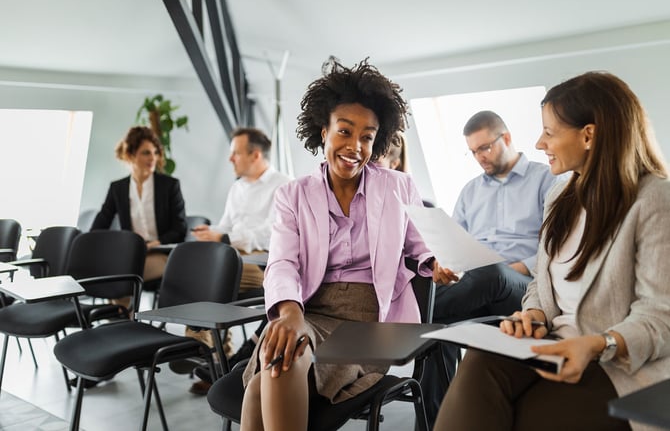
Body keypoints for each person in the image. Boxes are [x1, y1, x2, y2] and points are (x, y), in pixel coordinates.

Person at [434, 71, 670, 431]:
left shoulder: (654, 199)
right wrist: (534, 315)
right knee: (479, 361)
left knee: (527, 415)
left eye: (549, 132)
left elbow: (661, 317)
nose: (540, 143)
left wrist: (598, 344)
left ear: (588, 135)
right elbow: (541, 287)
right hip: (554, 343)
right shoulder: (561, 197)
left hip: (618, 363)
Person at [238, 58, 450, 431]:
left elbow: (423, 247)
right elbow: (282, 262)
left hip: (372, 319)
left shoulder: (398, 187)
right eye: (345, 131)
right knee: (283, 352)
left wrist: (437, 263)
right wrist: (289, 312)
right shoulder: (293, 194)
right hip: (310, 309)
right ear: (324, 131)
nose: (355, 146)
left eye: (367, 136)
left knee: (263, 385)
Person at [422, 110, 557, 424]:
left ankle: (415, 313)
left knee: (493, 272)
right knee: (438, 332)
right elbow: (454, 243)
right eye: (473, 152)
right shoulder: (471, 191)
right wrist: (446, 263)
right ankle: (432, 423)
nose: (479, 157)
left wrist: (517, 269)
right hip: (479, 285)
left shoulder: (547, 178)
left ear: (506, 138)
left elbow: (558, 247)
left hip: (524, 286)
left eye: (484, 148)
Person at [186, 127, 290, 395]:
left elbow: (272, 233)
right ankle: (215, 360)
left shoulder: (284, 186)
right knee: (204, 267)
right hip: (233, 257)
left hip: (264, 263)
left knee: (216, 273)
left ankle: (201, 348)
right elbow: (225, 225)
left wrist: (226, 237)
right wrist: (212, 234)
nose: (230, 159)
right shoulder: (237, 188)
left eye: (235, 153)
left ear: (255, 154)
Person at [91, 125, 187, 296]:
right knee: (109, 270)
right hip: (130, 255)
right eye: (146, 153)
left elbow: (180, 228)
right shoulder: (118, 188)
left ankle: (122, 317)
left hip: (162, 254)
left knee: (122, 275)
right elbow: (100, 224)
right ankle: (120, 317)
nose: (153, 158)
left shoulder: (169, 186)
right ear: (130, 155)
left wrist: (154, 244)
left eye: (155, 153)